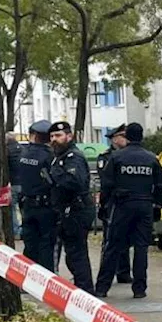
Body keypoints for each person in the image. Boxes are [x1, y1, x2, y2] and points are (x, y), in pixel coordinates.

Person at [94, 123, 162, 299]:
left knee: (113, 246)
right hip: (144, 206)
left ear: (127, 137)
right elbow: (161, 184)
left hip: (122, 206)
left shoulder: (117, 157)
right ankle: (139, 288)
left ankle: (102, 287)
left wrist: (104, 206)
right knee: (141, 248)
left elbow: (107, 184)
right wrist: (157, 205)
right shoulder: (151, 159)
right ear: (141, 137)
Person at [48, 121, 97, 294]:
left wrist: (54, 175)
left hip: (77, 210)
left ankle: (86, 290)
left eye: (59, 136)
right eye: (52, 136)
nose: (55, 139)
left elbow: (74, 182)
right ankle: (82, 286)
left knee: (77, 254)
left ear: (69, 136)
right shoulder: (59, 157)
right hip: (67, 210)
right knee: (72, 254)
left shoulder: (73, 157)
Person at [16, 120, 57, 269]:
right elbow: (53, 181)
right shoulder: (50, 157)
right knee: (47, 244)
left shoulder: (23, 153)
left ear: (33, 135)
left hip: (27, 204)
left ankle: (27, 278)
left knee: (30, 243)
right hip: (45, 206)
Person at [96, 125, 132, 287]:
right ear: (114, 139)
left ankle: (123, 272)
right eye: (121, 136)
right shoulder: (106, 157)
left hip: (127, 202)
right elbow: (106, 181)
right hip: (112, 202)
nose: (124, 139)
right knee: (110, 240)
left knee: (125, 239)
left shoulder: (131, 154)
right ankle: (106, 275)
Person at [6, 132, 23, 240]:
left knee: (12, 209)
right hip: (24, 184)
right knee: (23, 208)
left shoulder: (6, 151)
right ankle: (25, 229)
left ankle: (16, 230)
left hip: (13, 184)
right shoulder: (23, 149)